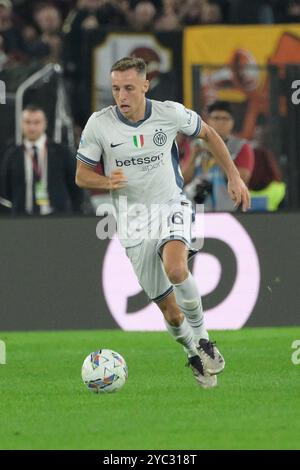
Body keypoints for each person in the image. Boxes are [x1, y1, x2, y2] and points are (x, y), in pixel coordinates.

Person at [75, 57, 250, 389]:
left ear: (145, 85)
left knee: (176, 268)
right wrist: (106, 181)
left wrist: (233, 176)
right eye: (115, 89)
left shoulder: (169, 113)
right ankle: (192, 353)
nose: (121, 96)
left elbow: (208, 133)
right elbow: (81, 175)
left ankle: (204, 339)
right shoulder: (99, 125)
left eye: (128, 88)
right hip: (132, 222)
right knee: (170, 312)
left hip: (171, 205)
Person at [1, 104, 83, 215]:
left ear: (45, 124)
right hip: (21, 221)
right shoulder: (12, 154)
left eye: (36, 122)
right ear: (21, 124)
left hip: (58, 219)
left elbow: (75, 187)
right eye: (28, 122)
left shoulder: (62, 152)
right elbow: (6, 189)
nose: (32, 127)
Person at [183, 100, 254, 211]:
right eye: (216, 118)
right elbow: (182, 180)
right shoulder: (195, 145)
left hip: (229, 213)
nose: (220, 123)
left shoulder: (240, 146)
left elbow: (243, 179)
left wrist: (215, 152)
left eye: (225, 118)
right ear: (207, 121)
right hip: (197, 211)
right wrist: (193, 156)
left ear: (232, 122)